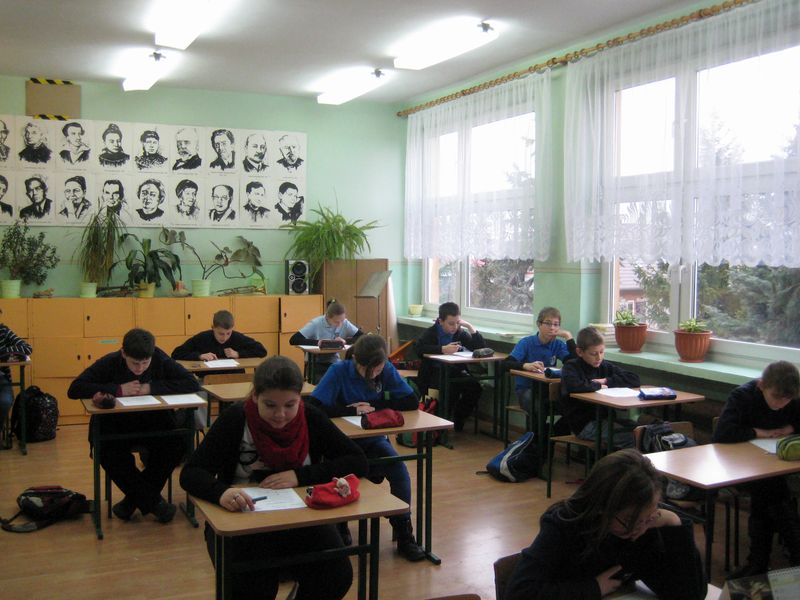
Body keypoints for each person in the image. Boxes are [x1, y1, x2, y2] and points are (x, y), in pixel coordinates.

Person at [180, 355, 367, 600]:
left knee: (336, 575)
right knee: (254, 587)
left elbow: (357, 461)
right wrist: (221, 492)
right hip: (242, 523)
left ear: (300, 398)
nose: (280, 414)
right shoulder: (236, 419)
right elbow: (191, 473)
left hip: (302, 519)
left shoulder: (310, 417)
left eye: (290, 405)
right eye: (270, 405)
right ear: (254, 396)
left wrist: (299, 475)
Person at [504, 448, 705, 600]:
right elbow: (519, 593)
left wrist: (673, 523)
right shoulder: (564, 524)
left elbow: (689, 594)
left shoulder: (644, 527)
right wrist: (594, 588)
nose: (639, 529)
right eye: (630, 520)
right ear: (602, 508)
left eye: (650, 516)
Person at [308, 335, 427, 561]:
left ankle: (404, 533)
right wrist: (350, 410)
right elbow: (313, 408)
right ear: (356, 361)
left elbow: (411, 400)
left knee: (399, 471)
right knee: (340, 475)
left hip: (373, 440)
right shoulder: (339, 371)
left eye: (378, 369)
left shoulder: (385, 368)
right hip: (342, 443)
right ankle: (340, 524)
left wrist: (374, 406)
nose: (374, 374)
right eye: (369, 370)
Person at [67, 328, 200, 523]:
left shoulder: (160, 358)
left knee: (176, 446)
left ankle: (131, 503)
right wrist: (117, 389)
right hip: (117, 426)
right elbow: (75, 388)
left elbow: (192, 383)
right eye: (135, 363)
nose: (140, 368)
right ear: (123, 353)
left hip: (155, 424)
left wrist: (151, 388)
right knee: (107, 452)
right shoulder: (110, 362)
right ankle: (154, 504)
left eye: (145, 363)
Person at [712, 360, 800, 578]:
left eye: (787, 399)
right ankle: (793, 555)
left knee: (770, 492)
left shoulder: (792, 396)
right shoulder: (742, 396)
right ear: (761, 385)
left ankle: (759, 562)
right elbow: (723, 433)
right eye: (777, 397)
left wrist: (791, 427)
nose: (782, 404)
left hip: (777, 465)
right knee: (771, 491)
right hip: (740, 465)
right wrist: (760, 432)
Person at [560, 326, 640, 449]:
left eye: (602, 352)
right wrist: (599, 386)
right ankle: (621, 460)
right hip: (584, 424)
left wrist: (606, 380)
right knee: (634, 438)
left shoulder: (604, 366)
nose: (599, 358)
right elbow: (574, 385)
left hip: (607, 420)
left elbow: (634, 379)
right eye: (593, 354)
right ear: (580, 352)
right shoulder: (571, 367)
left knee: (643, 431)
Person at [414, 301, 486, 431]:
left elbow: (480, 348)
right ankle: (440, 428)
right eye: (451, 323)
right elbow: (419, 349)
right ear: (441, 321)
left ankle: (458, 419)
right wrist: (442, 349)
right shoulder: (431, 333)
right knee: (449, 389)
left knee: (474, 388)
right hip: (433, 372)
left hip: (455, 371)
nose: (454, 327)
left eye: (457, 323)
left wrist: (470, 328)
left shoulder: (460, 333)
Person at [504, 306, 576, 416]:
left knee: (571, 406)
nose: (552, 328)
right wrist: (525, 365)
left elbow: (574, 364)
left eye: (556, 324)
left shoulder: (558, 344)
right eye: (548, 323)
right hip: (527, 389)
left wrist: (568, 337)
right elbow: (505, 364)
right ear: (539, 324)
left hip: (547, 388)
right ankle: (538, 428)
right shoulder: (526, 343)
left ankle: (553, 427)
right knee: (538, 407)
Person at [289, 301, 364, 380]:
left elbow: (362, 336)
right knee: (323, 381)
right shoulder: (315, 323)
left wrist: (344, 341)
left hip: (334, 361)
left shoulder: (344, 322)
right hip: (316, 363)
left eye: (342, 321)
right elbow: (294, 339)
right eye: (336, 322)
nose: (340, 325)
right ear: (327, 317)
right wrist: (318, 342)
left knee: (346, 378)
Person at [172, 310, 267, 362]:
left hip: (234, 378)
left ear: (232, 328)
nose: (225, 338)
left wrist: (238, 354)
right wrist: (199, 356)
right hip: (208, 379)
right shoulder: (202, 338)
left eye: (228, 333)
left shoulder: (237, 337)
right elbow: (176, 353)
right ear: (213, 328)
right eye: (221, 333)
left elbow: (261, 351)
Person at [0, 324, 32, 433]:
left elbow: (27, 348)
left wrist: (3, 351)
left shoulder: (3, 331)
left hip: (2, 379)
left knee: (5, 401)